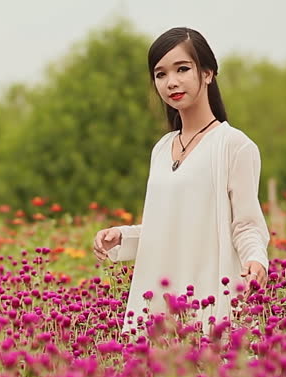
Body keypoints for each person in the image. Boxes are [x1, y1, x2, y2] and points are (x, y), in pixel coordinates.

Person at [92, 27, 270, 340]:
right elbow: (168, 226)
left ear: (207, 73)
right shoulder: (161, 149)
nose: (171, 82)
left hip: (208, 297)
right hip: (158, 300)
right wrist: (123, 236)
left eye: (182, 69)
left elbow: (246, 224)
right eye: (160, 74)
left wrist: (256, 260)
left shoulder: (233, 145)